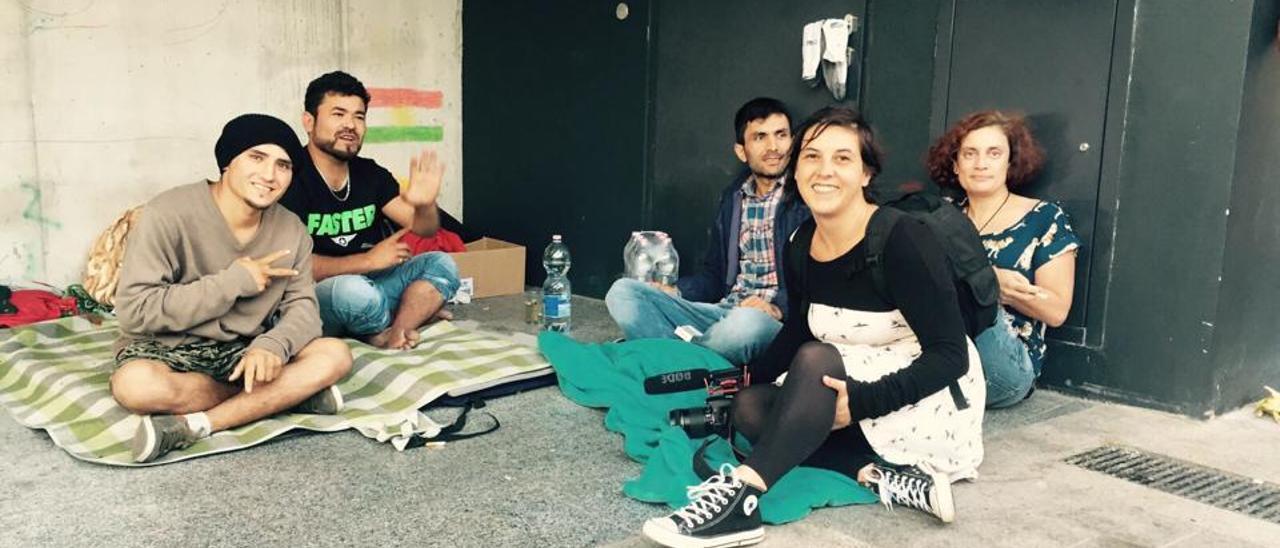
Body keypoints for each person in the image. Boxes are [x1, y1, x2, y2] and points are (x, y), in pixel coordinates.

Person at [641, 107, 985, 548]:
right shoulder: (800, 243)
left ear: (865, 174)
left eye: (842, 159)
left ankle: (742, 499)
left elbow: (951, 357)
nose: (824, 171)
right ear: (797, 169)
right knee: (749, 407)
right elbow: (801, 327)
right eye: (811, 157)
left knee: (816, 359)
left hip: (925, 400)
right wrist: (744, 379)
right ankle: (876, 474)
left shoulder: (903, 240)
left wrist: (860, 403)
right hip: (855, 380)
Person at [111, 114, 353, 463]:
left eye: (283, 165)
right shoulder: (167, 213)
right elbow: (134, 311)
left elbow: (303, 309)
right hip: (170, 348)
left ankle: (197, 425)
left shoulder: (291, 229)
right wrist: (233, 282)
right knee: (135, 386)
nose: (270, 176)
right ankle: (285, 397)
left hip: (246, 350)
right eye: (257, 157)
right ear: (228, 162)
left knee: (335, 355)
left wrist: (273, 345)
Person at [605, 97, 810, 365]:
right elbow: (714, 276)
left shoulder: (806, 196)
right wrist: (676, 292)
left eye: (781, 135)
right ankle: (693, 360)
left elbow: (817, 282)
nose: (773, 147)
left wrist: (777, 307)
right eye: (760, 137)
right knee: (623, 292)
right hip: (722, 311)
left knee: (743, 326)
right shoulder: (733, 199)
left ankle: (670, 358)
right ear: (741, 151)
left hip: (767, 321)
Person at [279, 71, 461, 350]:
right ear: (309, 121)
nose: (350, 125)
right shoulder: (289, 177)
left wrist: (424, 205)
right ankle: (404, 317)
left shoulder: (370, 173)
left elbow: (425, 228)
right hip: (317, 295)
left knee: (441, 264)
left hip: (372, 285)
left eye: (359, 116)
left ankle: (396, 332)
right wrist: (367, 261)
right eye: (338, 114)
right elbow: (290, 266)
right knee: (355, 292)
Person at [927, 110, 1081, 408]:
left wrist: (990, 286)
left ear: (1010, 163)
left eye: (993, 153)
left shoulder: (1043, 218)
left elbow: (1057, 311)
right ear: (955, 165)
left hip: (1005, 366)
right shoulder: (941, 219)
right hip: (941, 355)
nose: (981, 163)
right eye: (969, 153)